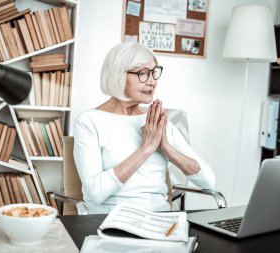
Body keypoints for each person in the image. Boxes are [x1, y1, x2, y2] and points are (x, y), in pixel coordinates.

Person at [73, 42, 216, 214]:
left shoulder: (156, 120)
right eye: (142, 73)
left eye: (154, 72)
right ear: (118, 74)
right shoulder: (89, 121)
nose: (152, 81)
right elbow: (95, 193)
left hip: (159, 219)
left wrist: (166, 149)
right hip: (109, 220)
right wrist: (147, 148)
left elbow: (208, 181)